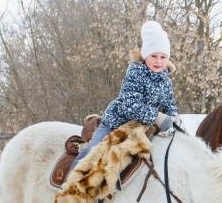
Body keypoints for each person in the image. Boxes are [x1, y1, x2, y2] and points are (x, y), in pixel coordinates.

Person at [70, 20, 180, 170]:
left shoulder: (165, 80)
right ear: (145, 55)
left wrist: (174, 117)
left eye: (163, 57)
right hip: (116, 122)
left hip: (141, 126)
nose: (158, 61)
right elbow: (129, 105)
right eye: (154, 55)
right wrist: (158, 117)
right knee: (93, 153)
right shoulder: (136, 72)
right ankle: (71, 183)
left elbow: (169, 104)